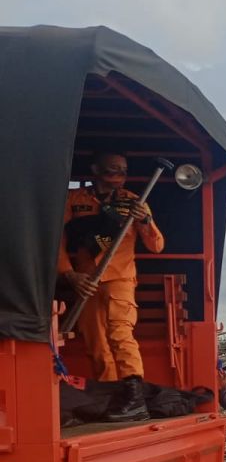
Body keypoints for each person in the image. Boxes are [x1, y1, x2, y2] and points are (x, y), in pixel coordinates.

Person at [58, 151, 165, 421]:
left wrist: (145, 221)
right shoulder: (74, 200)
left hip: (120, 278)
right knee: (95, 343)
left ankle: (134, 395)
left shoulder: (134, 202)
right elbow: (55, 241)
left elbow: (156, 245)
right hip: (86, 281)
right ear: (96, 168)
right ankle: (111, 397)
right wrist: (70, 275)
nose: (118, 172)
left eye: (123, 169)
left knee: (120, 333)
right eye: (112, 167)